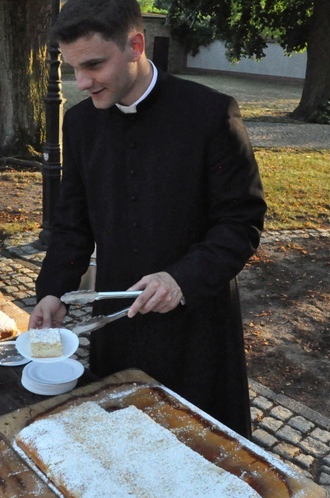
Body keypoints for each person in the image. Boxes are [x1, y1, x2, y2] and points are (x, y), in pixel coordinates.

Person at [29, 0, 267, 437]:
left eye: (94, 65)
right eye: (72, 68)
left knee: (200, 446)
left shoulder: (211, 114)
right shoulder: (80, 123)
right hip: (116, 321)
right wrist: (53, 291)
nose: (82, 82)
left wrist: (181, 279)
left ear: (135, 45)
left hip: (197, 322)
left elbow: (241, 222)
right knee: (123, 440)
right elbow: (72, 222)